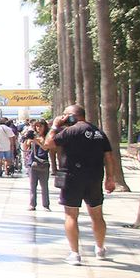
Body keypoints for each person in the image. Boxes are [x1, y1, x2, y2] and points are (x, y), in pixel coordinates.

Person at [42, 104, 120, 265]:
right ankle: (99, 248)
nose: (63, 118)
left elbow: (48, 143)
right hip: (94, 177)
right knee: (97, 214)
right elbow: (109, 156)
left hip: (72, 177)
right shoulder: (99, 133)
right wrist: (110, 177)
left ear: (72, 116)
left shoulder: (70, 131)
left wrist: (56, 126)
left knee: (71, 215)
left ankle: (75, 253)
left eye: (65, 116)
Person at [23, 119, 52, 211]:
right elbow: (25, 148)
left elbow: (46, 147)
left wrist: (37, 141)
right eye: (37, 126)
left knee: (44, 186)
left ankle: (46, 205)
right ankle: (32, 204)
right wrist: (28, 139)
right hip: (32, 163)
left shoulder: (48, 136)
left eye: (40, 126)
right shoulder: (33, 136)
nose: (38, 128)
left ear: (45, 127)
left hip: (43, 163)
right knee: (32, 186)